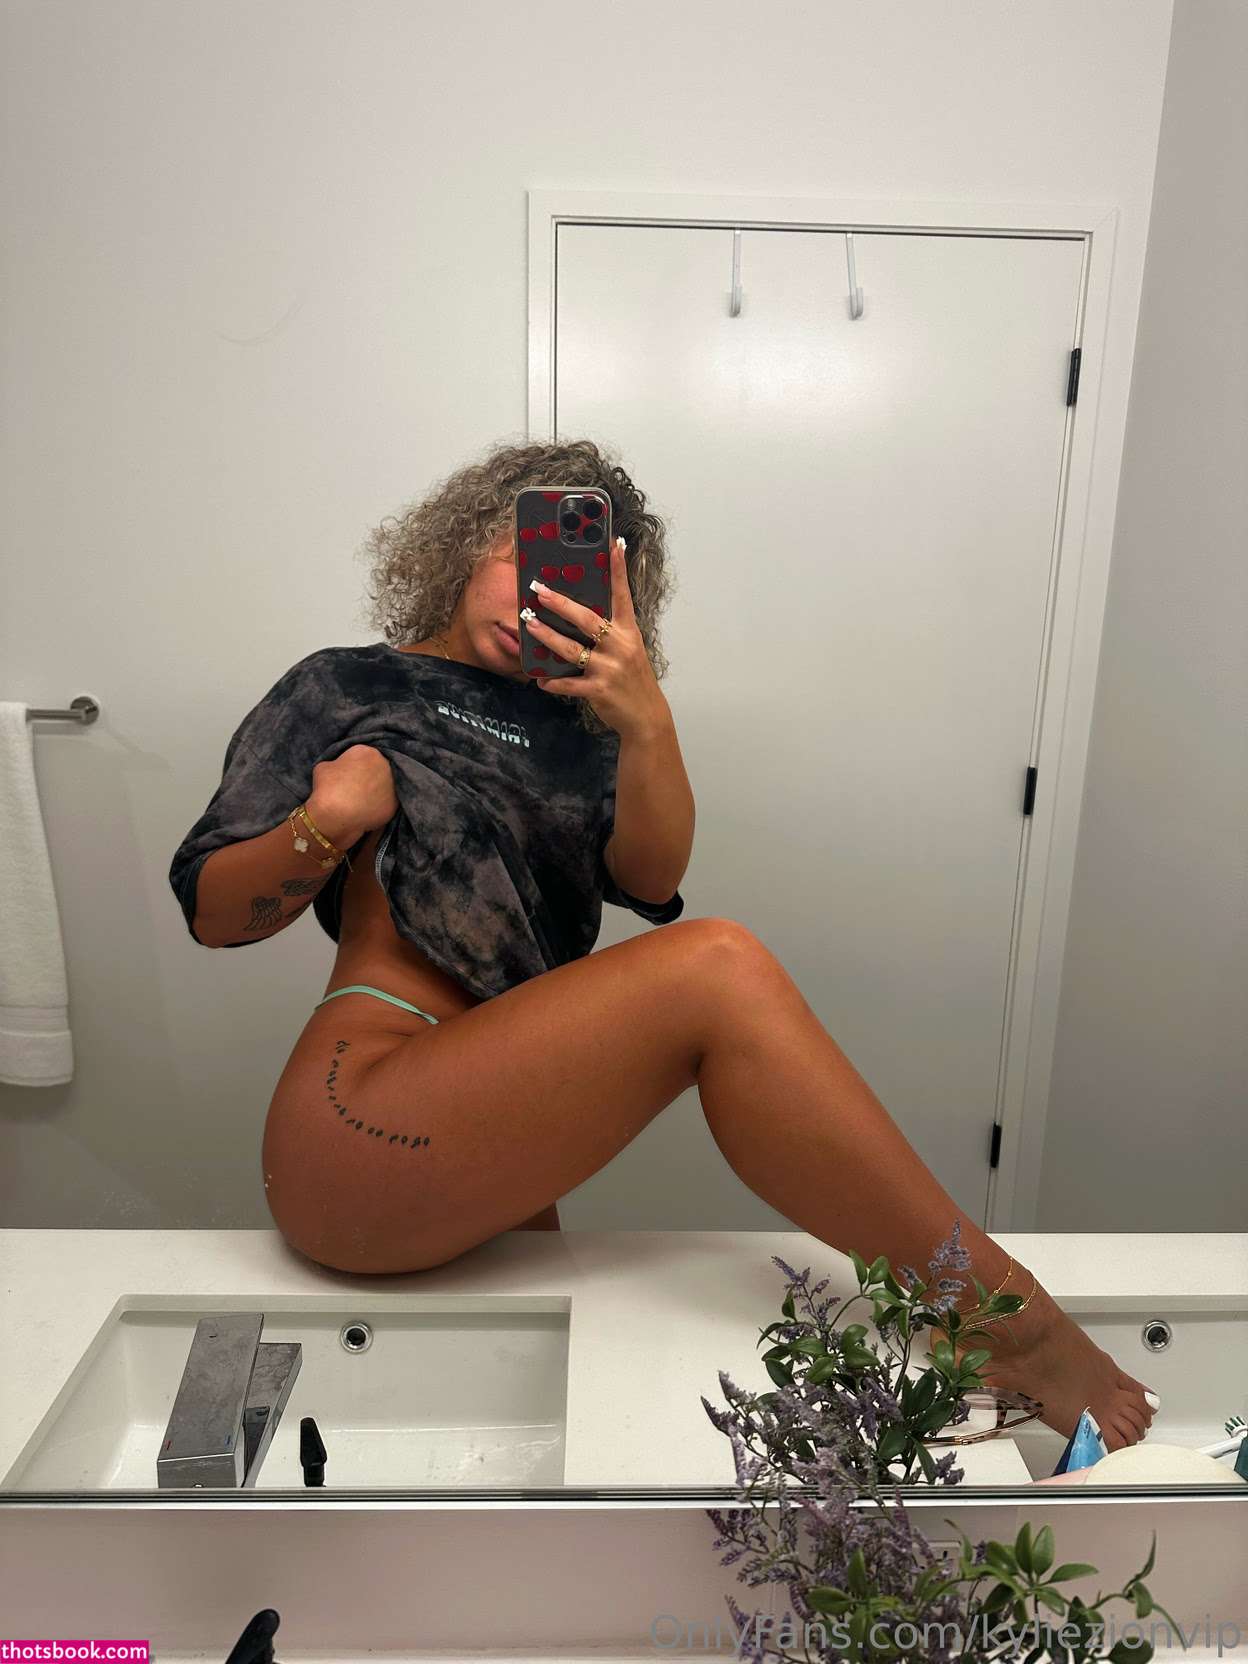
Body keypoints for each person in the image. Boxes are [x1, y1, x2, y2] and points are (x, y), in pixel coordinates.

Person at [176, 439, 1157, 1451]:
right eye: (522, 556)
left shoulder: (584, 727)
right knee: (716, 968)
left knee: (520, 1445)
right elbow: (215, 910)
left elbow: (648, 879)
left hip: (486, 1128)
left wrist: (645, 724)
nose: (539, 595)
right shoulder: (345, 685)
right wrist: (327, 821)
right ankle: (1013, 1327)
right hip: (360, 1111)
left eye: (580, 582)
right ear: (464, 546)